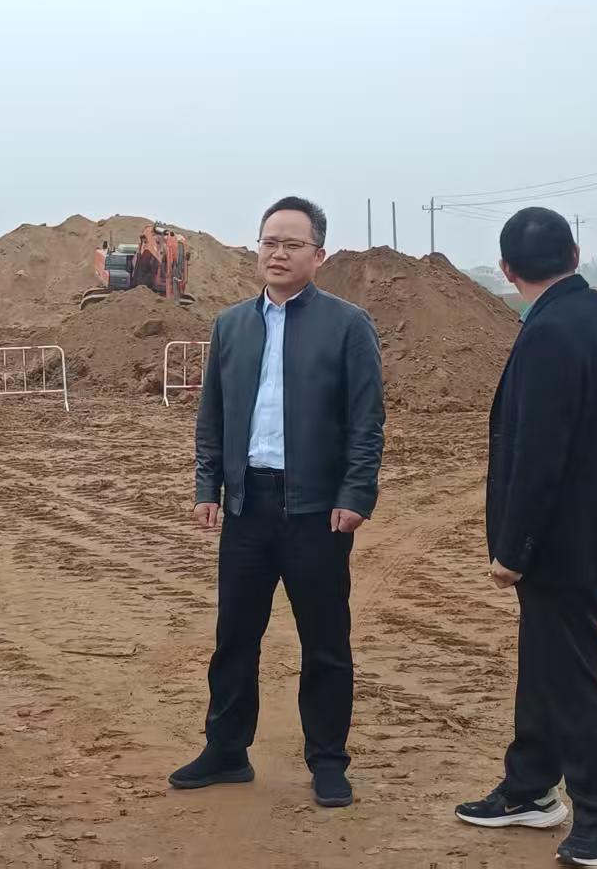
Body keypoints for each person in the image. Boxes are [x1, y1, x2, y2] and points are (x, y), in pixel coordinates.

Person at [453, 207, 597, 867]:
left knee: (570, 674)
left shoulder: (546, 332)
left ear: (506, 270)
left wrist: (513, 552)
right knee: (547, 657)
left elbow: (539, 458)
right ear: (574, 255)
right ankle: (530, 786)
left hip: (559, 539)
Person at [170, 197, 385, 809]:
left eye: (293, 244)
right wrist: (208, 487)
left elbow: (366, 422)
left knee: (325, 641)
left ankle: (328, 761)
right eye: (270, 242)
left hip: (317, 513)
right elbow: (211, 418)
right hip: (247, 509)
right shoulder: (232, 325)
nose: (279, 254)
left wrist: (356, 493)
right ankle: (226, 751)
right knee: (235, 637)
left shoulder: (348, 325)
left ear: (319, 255)